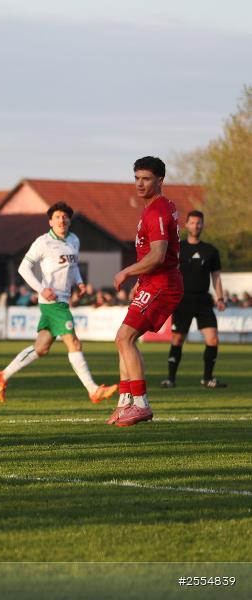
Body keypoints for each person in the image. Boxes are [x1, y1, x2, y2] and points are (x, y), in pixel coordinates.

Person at [0, 203, 117, 405]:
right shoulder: (43, 242)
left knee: (41, 348)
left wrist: (79, 282)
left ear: (69, 220)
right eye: (57, 217)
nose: (62, 220)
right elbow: (24, 268)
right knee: (74, 343)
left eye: (65, 217)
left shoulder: (74, 240)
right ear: (50, 221)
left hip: (62, 301)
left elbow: (73, 265)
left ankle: (3, 375)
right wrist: (41, 289)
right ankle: (93, 390)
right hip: (53, 302)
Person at [109, 156, 183, 427]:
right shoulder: (155, 207)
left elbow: (159, 254)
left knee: (124, 338)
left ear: (160, 180)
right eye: (137, 178)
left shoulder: (158, 210)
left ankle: (140, 404)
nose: (140, 184)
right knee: (123, 339)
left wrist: (128, 272)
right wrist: (141, 280)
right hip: (153, 282)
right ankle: (125, 402)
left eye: (146, 179)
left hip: (163, 284)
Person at [162, 210, 227, 388]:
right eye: (192, 223)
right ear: (186, 225)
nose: (195, 226)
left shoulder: (211, 251)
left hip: (203, 301)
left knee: (213, 340)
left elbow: (216, 277)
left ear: (202, 225)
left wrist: (220, 298)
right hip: (182, 300)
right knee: (177, 340)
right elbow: (168, 272)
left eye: (199, 223)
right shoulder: (177, 248)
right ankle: (170, 379)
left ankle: (207, 378)